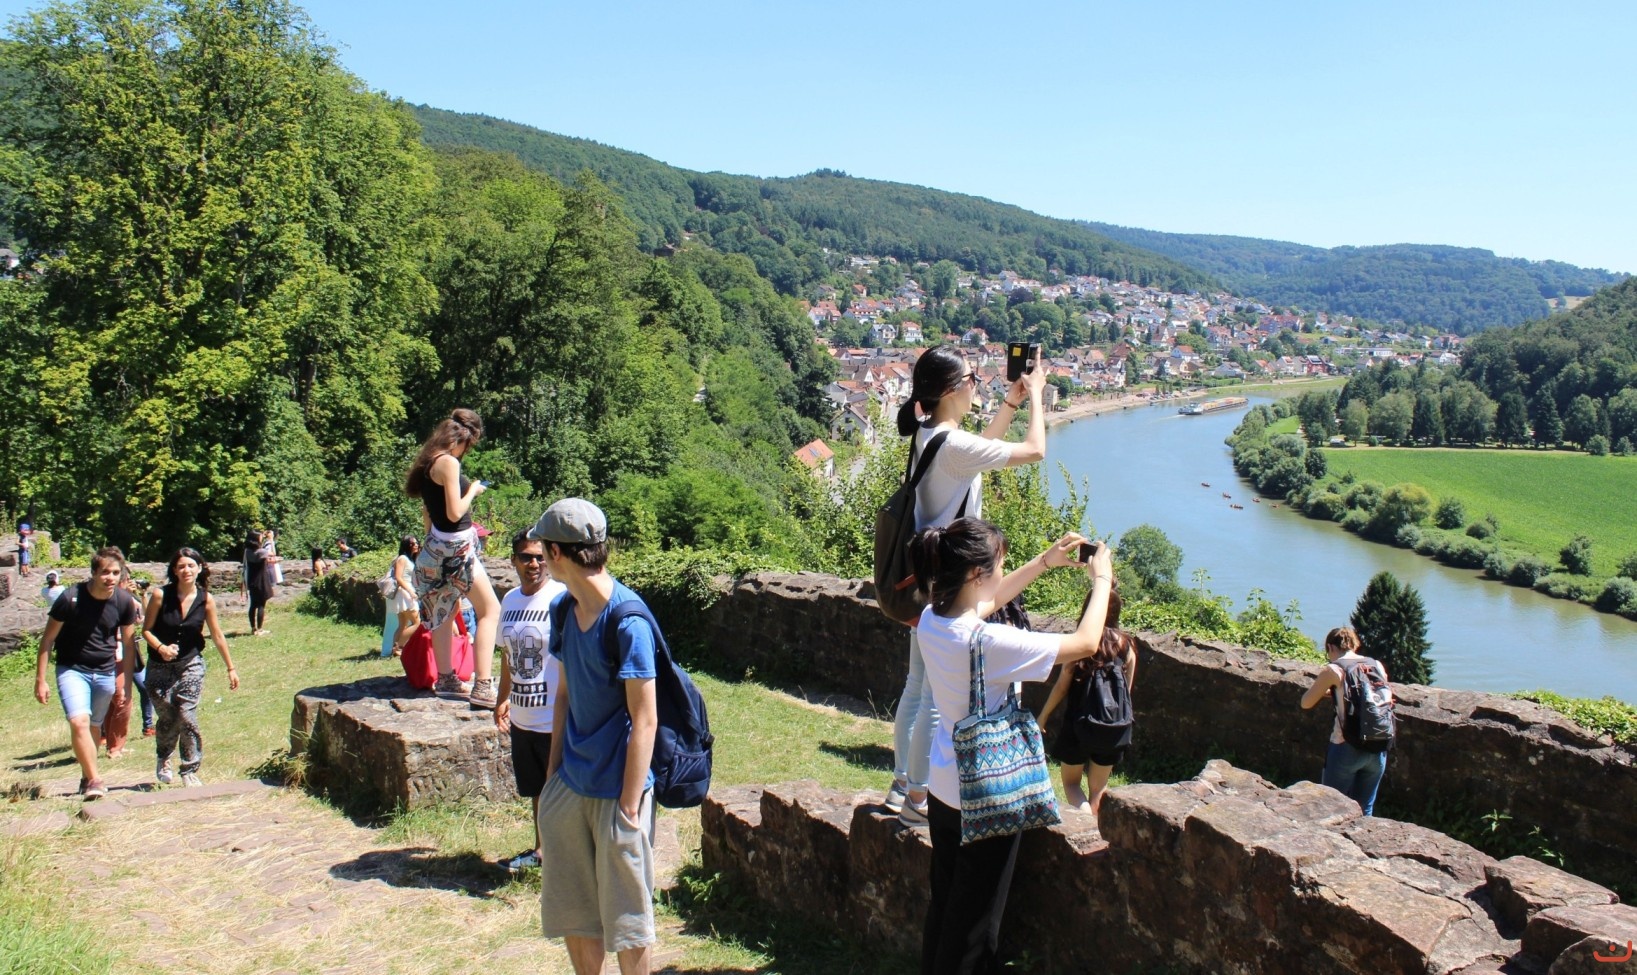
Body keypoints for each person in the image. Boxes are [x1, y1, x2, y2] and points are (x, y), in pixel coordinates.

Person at [908, 519, 1114, 975]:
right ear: (975, 574)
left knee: (945, 904)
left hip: (945, 787)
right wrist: (1102, 579)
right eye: (1000, 563)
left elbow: (989, 601)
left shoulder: (932, 621)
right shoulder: (989, 643)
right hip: (986, 795)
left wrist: (1044, 562)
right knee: (976, 929)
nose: (1003, 571)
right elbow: (1085, 643)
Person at [887, 344, 1048, 827]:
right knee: (935, 699)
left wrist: (1011, 402)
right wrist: (1038, 397)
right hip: (949, 580)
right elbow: (1035, 451)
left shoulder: (931, 433)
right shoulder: (953, 444)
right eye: (972, 378)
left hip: (923, 573)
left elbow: (977, 455)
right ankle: (918, 799)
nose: (977, 384)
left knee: (916, 687)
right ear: (951, 390)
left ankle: (902, 785)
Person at [532, 498, 660, 974]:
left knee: (628, 921)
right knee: (576, 913)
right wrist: (552, 779)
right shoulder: (565, 609)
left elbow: (645, 720)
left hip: (616, 793)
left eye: (543, 549)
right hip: (571, 783)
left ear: (556, 553)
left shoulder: (628, 621)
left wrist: (629, 807)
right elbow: (564, 696)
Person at [404, 408, 500, 708]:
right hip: (457, 549)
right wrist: (473, 490)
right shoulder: (448, 462)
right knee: (490, 610)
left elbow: (428, 513)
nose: (466, 453)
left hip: (435, 550)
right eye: (468, 446)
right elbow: (455, 512)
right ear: (464, 439)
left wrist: (433, 546)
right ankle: (483, 685)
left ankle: (446, 679)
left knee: (442, 613)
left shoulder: (428, 462)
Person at [32, 547, 140, 800]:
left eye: (115, 573)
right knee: (78, 721)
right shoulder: (70, 598)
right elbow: (47, 640)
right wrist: (40, 680)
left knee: (93, 726)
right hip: (72, 669)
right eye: (105, 572)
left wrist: (126, 683)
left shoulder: (123, 601)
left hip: (104, 671)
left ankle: (85, 775)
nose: (110, 578)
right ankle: (94, 780)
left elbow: (128, 644)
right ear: (93, 573)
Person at [494, 529, 566, 872]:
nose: (534, 564)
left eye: (540, 557)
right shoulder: (509, 600)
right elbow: (507, 655)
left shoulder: (561, 599)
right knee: (537, 788)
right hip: (523, 714)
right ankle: (542, 852)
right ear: (514, 561)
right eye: (526, 557)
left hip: (554, 715)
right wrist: (502, 698)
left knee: (560, 791)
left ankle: (568, 859)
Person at [142, 547, 239, 787]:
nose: (186, 570)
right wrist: (161, 648)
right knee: (168, 716)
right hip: (159, 666)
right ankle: (164, 757)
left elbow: (217, 635)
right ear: (175, 571)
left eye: (190, 565)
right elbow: (146, 630)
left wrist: (230, 668)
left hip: (190, 663)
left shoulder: (206, 599)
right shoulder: (160, 595)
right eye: (181, 566)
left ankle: (189, 768)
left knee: (186, 715)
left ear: (199, 568)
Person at [1038, 585, 1137, 816]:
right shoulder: (1127, 646)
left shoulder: (1080, 644)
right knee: (1099, 789)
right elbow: (1127, 692)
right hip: (1113, 726)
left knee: (1071, 784)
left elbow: (1062, 686)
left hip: (1079, 723)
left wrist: (1043, 716)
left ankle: (1084, 822)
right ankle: (1094, 828)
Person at [1300, 626, 1392, 816]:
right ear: (1354, 645)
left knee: (1331, 807)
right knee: (1365, 808)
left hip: (1346, 746)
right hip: (1379, 745)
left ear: (1330, 647)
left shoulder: (1334, 669)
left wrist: (1328, 690)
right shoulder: (1376, 665)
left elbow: (1306, 703)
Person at [383, 535, 421, 658]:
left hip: (407, 592)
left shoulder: (411, 559)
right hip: (404, 593)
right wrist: (410, 591)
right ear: (406, 545)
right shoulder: (402, 559)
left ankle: (393, 650)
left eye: (416, 543)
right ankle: (399, 646)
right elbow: (398, 578)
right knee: (417, 623)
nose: (416, 545)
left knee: (402, 624)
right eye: (412, 544)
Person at [243, 529, 276, 636]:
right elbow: (273, 553)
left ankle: (253, 628)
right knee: (261, 605)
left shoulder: (247, 551)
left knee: (253, 605)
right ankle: (260, 629)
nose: (262, 537)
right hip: (262, 580)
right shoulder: (262, 552)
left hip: (252, 580)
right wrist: (271, 540)